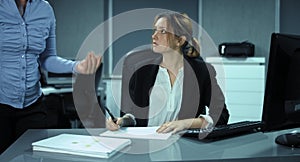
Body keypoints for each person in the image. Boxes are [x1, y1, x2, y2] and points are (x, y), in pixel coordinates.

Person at [0, 0, 101, 154]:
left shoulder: (45, 9)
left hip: (32, 105)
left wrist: (76, 66)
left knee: (34, 156)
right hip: (2, 104)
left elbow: (47, 58)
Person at [106, 12, 229, 134]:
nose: (154, 36)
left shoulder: (202, 72)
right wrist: (122, 121)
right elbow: (134, 116)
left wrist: (186, 123)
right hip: (146, 144)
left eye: (162, 31)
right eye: (155, 30)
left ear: (180, 40)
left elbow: (221, 115)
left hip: (183, 145)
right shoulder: (141, 71)